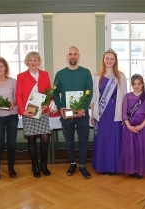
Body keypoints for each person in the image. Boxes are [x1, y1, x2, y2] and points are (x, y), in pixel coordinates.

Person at [53, 46, 93, 179]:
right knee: (69, 140)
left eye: (75, 54)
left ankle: (82, 165)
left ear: (79, 56)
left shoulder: (86, 72)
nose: (73, 56)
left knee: (83, 140)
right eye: (70, 54)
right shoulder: (60, 74)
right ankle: (72, 163)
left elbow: (89, 91)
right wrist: (60, 108)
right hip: (67, 113)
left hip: (82, 113)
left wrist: (84, 108)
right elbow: (55, 92)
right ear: (67, 56)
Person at [91, 48, 127, 175]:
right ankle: (102, 166)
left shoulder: (121, 76)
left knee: (114, 139)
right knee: (102, 138)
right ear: (103, 60)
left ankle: (114, 167)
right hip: (101, 112)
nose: (109, 61)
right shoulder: (96, 76)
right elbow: (94, 97)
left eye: (112, 59)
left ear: (115, 61)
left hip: (115, 111)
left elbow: (124, 97)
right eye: (107, 58)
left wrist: (124, 115)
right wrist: (92, 114)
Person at [15, 51, 51, 178]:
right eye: (31, 60)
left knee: (45, 139)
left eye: (35, 60)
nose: (33, 62)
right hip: (28, 111)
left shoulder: (45, 74)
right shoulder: (21, 76)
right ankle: (35, 165)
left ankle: (43, 164)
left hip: (42, 111)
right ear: (27, 62)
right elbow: (18, 95)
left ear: (39, 61)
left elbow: (48, 92)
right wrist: (22, 111)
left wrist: (47, 103)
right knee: (31, 139)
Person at [121, 74, 145, 178]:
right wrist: (128, 126)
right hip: (130, 125)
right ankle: (132, 170)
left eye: (139, 84)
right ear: (131, 85)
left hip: (144, 125)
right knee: (132, 149)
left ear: (142, 84)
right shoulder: (127, 96)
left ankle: (141, 170)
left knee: (142, 148)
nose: (137, 86)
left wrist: (142, 126)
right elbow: (124, 113)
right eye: (134, 84)